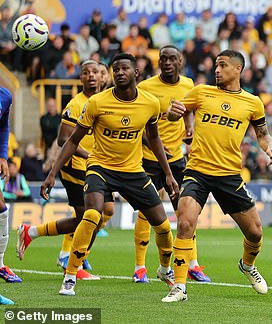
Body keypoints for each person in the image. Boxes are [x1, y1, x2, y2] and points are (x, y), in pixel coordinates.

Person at [40, 53, 177, 296]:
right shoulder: (97, 103)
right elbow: (71, 141)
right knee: (92, 214)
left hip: (133, 171)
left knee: (164, 227)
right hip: (100, 167)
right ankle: (70, 276)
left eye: (125, 68)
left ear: (136, 73)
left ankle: (165, 269)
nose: (120, 73)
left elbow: (154, 138)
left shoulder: (150, 103)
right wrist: (52, 173)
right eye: (116, 69)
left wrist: (168, 173)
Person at [162, 49, 272, 302]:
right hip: (197, 171)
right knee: (184, 223)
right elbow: (176, 113)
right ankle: (179, 286)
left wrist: (269, 146)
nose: (217, 69)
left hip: (229, 175)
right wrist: (173, 113)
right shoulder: (201, 91)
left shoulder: (252, 102)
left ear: (238, 69)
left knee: (256, 233)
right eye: (216, 65)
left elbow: (262, 133)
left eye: (222, 65)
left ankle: (247, 265)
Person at [17, 61, 111, 280]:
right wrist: (87, 156)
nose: (91, 76)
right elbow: (62, 139)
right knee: (91, 219)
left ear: (102, 77)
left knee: (95, 216)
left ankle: (32, 232)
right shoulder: (76, 104)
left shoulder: (103, 101)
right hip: (75, 167)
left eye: (95, 72)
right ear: (80, 78)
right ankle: (74, 266)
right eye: (86, 73)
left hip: (95, 167)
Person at [134, 45, 210, 283]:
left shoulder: (189, 85)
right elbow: (138, 123)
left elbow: (189, 110)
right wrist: (151, 143)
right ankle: (139, 268)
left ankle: (193, 265)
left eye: (171, 59)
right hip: (150, 159)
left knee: (186, 212)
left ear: (180, 61)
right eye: (162, 59)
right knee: (147, 213)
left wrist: (190, 128)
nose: (166, 63)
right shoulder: (145, 87)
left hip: (177, 158)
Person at [0, 87, 20, 305]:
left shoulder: (4, 95)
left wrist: (3, 155)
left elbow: (3, 126)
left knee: (1, 208)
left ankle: (1, 264)